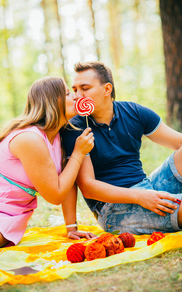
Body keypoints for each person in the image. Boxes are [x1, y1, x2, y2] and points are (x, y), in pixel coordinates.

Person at [61, 61, 182, 235]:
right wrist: (140, 197)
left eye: (85, 88)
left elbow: (178, 142)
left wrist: (145, 194)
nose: (77, 96)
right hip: (112, 209)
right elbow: (88, 187)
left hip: (147, 188)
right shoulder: (75, 129)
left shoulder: (134, 112)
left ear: (107, 89)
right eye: (74, 90)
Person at [0, 76, 96, 250]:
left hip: (8, 215)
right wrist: (79, 153)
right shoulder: (30, 139)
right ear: (51, 101)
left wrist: (71, 228)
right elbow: (55, 195)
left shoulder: (58, 135)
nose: (75, 97)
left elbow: (66, 180)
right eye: (67, 93)